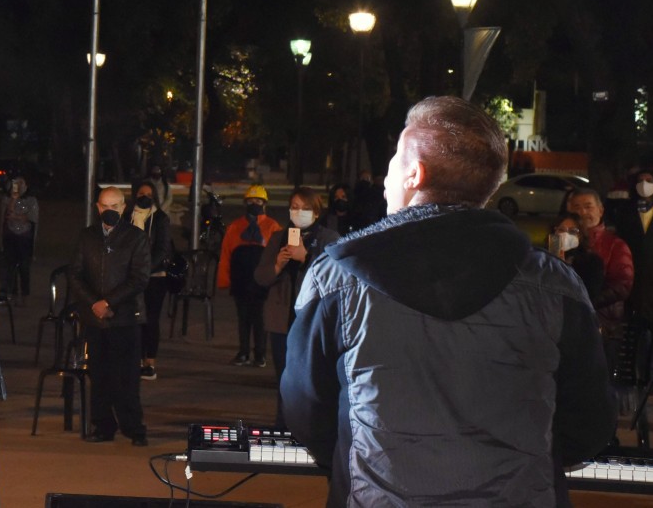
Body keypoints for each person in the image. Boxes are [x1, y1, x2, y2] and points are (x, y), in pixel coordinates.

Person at [281, 96, 617, 506]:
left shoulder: (335, 279)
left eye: (392, 163)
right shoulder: (557, 287)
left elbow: (305, 410)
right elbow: (589, 422)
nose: (385, 176)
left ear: (414, 174)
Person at [70, 185, 150, 446]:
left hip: (125, 318)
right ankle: (103, 426)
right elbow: (76, 275)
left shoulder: (136, 238)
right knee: (99, 375)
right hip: (95, 319)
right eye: (105, 206)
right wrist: (94, 303)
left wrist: (109, 301)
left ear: (124, 208)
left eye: (115, 206)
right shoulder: (87, 236)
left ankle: (134, 428)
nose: (110, 211)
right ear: (97, 207)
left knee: (126, 378)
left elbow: (139, 278)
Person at [254, 187, 338, 426]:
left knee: (312, 376)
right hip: (282, 319)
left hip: (313, 320)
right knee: (284, 376)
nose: (299, 212)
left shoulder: (328, 238)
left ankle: (311, 426)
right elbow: (260, 277)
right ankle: (283, 423)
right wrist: (278, 266)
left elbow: (334, 277)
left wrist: (306, 258)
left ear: (316, 211)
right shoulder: (279, 236)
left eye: (305, 208)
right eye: (295, 207)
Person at [567, 187, 635, 371]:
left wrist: (587, 303)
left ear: (600, 210)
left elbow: (622, 285)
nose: (582, 212)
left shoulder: (615, 245)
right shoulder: (561, 241)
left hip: (603, 324)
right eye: (576, 207)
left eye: (588, 206)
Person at [615, 168, 653, 385]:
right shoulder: (628, 211)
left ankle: (651, 376)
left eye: (649, 180)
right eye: (640, 180)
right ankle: (639, 374)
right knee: (639, 330)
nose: (645, 184)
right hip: (635, 277)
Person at [216, 184, 279, 367]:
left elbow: (279, 255)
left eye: (258, 201)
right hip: (241, 280)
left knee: (260, 318)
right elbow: (226, 254)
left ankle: (260, 354)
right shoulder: (235, 227)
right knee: (243, 318)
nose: (254, 204)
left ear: (264, 203)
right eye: (250, 201)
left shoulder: (272, 226)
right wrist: (224, 279)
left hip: (262, 282)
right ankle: (243, 352)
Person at [123, 180, 171, 380]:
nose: (144, 197)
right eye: (141, 193)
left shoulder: (160, 218)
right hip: (128, 277)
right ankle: (131, 358)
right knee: (129, 318)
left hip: (154, 276)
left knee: (150, 318)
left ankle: (149, 362)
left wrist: (146, 268)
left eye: (149, 195)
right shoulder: (126, 216)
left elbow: (162, 248)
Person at [0, 176, 38, 304]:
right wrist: (13, 199)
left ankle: (25, 295)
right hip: (11, 236)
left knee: (24, 267)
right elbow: (7, 214)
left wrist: (17, 216)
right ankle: (12, 293)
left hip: (25, 238)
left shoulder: (31, 200)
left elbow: (30, 218)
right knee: (10, 267)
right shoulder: (7, 199)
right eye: (16, 184)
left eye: (21, 184)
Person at [548, 215, 605, 302]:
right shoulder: (542, 258)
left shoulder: (592, 262)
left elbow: (589, 295)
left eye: (573, 231)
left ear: (580, 236)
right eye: (561, 230)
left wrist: (564, 269)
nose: (565, 234)